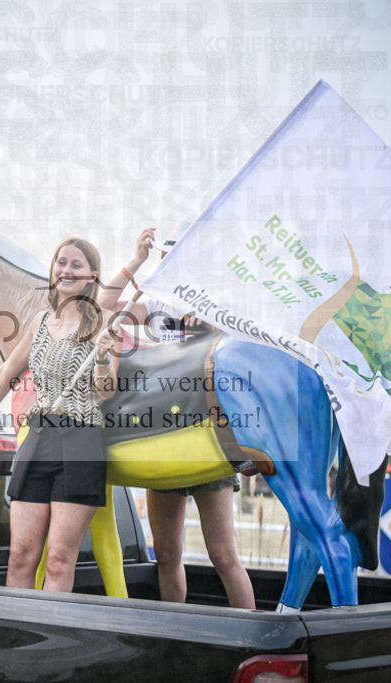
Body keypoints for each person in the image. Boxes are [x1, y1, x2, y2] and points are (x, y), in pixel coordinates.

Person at [98, 227, 256, 609]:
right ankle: (174, 629)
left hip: (207, 439)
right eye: (166, 257)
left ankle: (256, 633)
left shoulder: (215, 300)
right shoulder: (152, 303)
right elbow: (102, 307)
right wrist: (136, 260)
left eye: (179, 257)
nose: (172, 265)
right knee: (166, 554)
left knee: (222, 554)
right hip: (164, 439)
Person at [0, 237, 121, 593]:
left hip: (82, 442)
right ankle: (16, 636)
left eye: (76, 264)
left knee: (58, 559)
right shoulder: (41, 320)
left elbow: (107, 391)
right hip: (38, 437)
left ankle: (44, 644)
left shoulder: (104, 323)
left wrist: (102, 356)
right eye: (61, 262)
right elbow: (12, 366)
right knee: (21, 555)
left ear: (92, 275)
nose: (67, 270)